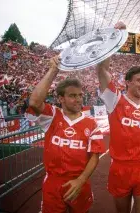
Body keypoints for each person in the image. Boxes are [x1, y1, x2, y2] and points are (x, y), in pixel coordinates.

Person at [96, 22, 140, 213]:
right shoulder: (115, 100)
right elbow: (102, 70)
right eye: (139, 80)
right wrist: (114, 35)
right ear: (127, 82)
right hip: (120, 168)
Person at [25, 56, 105, 213]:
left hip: (79, 182)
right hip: (53, 183)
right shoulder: (52, 116)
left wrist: (81, 180)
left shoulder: (91, 123)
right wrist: (53, 70)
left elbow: (95, 156)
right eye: (72, 96)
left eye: (80, 95)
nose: (78, 99)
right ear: (61, 98)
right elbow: (34, 102)